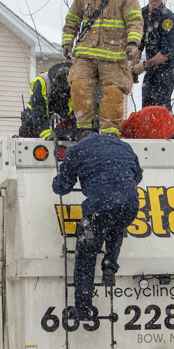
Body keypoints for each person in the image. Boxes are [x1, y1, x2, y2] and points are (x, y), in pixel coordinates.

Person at [51, 133, 143, 318]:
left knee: (86, 256)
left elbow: (62, 186)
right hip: (129, 206)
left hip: (96, 212)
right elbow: (137, 176)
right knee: (116, 227)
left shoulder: (75, 150)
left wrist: (58, 180)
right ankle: (109, 264)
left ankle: (83, 308)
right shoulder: (123, 146)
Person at [62, 0, 143, 137]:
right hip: (86, 53)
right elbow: (72, 20)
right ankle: (84, 129)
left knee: (113, 92)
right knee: (78, 85)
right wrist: (67, 41)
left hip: (113, 56)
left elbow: (135, 22)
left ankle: (109, 133)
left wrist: (132, 43)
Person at [134, 0, 174, 128]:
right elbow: (139, 45)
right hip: (152, 65)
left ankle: (169, 133)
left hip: (170, 64)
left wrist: (143, 66)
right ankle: (150, 132)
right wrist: (133, 67)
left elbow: (166, 53)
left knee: (160, 101)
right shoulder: (141, 15)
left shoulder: (168, 19)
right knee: (147, 101)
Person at [18, 61, 75, 139]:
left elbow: (77, 111)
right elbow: (38, 113)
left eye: (66, 94)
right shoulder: (42, 83)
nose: (63, 96)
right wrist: (47, 135)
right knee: (28, 128)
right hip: (33, 114)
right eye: (61, 93)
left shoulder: (77, 83)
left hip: (58, 110)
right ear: (55, 84)